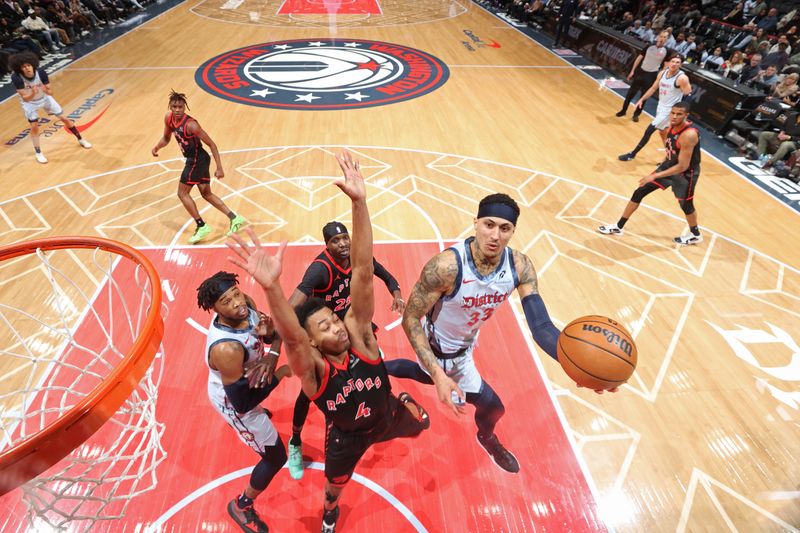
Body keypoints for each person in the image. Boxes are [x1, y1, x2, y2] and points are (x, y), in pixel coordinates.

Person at [227, 150, 430, 533]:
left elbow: (365, 271)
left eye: (335, 319)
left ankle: (402, 398)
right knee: (335, 488)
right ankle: (330, 515)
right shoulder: (313, 368)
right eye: (324, 327)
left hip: (385, 415)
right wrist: (271, 287)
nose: (336, 327)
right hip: (347, 438)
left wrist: (360, 203)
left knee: (420, 427)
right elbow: (291, 335)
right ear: (313, 343)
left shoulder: (362, 340)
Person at [385, 193, 617, 475]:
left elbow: (541, 327)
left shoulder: (520, 267)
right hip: (435, 348)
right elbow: (410, 317)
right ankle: (378, 366)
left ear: (513, 231)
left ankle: (485, 437)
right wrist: (438, 374)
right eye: (489, 225)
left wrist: (579, 367)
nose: (495, 235)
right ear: (476, 223)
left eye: (504, 228)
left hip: (464, 350)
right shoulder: (446, 267)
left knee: (493, 409)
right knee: (426, 374)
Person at [268, 220, 405, 481]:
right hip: (324, 333)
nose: (342, 244)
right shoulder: (319, 271)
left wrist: (397, 294)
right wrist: (274, 352)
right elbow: (292, 307)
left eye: (345, 239)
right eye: (335, 241)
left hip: (347, 328)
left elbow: (387, 277)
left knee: (373, 369)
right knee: (310, 392)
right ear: (327, 245)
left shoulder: (356, 257)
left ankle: (380, 410)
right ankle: (295, 441)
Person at [197, 271, 292, 533]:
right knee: (275, 458)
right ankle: (242, 505)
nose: (236, 302)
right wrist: (281, 373)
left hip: (245, 379)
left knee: (259, 406)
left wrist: (269, 334)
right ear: (214, 309)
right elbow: (243, 404)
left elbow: (269, 336)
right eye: (226, 301)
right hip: (234, 401)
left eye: (236, 294)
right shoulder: (226, 349)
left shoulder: (246, 304)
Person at [599, 102, 703, 245]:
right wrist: (664, 163)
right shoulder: (671, 125)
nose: (674, 116)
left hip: (685, 174)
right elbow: (671, 149)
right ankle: (618, 226)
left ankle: (695, 234)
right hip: (670, 166)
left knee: (686, 206)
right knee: (639, 192)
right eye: (673, 113)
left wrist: (654, 175)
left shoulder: (689, 135)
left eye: (679, 114)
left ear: (686, 116)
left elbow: (682, 166)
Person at [151, 90, 246, 244]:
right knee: (206, 193)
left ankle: (201, 225)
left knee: (182, 193)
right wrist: (157, 147)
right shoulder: (168, 118)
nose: (177, 110)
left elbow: (212, 145)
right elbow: (166, 138)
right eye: (174, 106)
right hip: (197, 160)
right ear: (170, 106)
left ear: (185, 107)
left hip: (196, 160)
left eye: (180, 107)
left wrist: (219, 167)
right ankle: (235, 218)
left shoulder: (191, 125)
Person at [10, 52, 91, 164]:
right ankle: (38, 153)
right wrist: (33, 92)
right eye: (23, 67)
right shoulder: (16, 77)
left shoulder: (41, 72)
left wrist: (45, 90)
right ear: (20, 69)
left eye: (28, 65)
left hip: (45, 98)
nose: (27, 68)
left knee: (65, 119)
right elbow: (25, 98)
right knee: (34, 127)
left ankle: (81, 139)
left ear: (33, 64)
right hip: (30, 102)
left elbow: (51, 92)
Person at [618, 55, 692, 162]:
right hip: (661, 107)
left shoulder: (682, 78)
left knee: (649, 130)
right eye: (673, 61)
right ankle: (671, 157)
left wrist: (682, 112)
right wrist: (642, 99)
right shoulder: (662, 73)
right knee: (663, 133)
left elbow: (688, 95)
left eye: (677, 62)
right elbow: (653, 88)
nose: (674, 64)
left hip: (670, 110)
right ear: (668, 62)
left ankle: (632, 154)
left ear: (680, 65)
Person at [616, 30, 669, 122]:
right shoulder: (649, 46)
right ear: (658, 37)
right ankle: (623, 110)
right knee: (630, 94)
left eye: (665, 37)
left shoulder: (666, 51)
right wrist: (632, 71)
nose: (662, 38)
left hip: (651, 75)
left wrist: (660, 78)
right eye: (661, 36)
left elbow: (665, 66)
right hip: (641, 72)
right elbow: (639, 58)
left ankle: (636, 115)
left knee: (644, 97)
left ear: (667, 40)